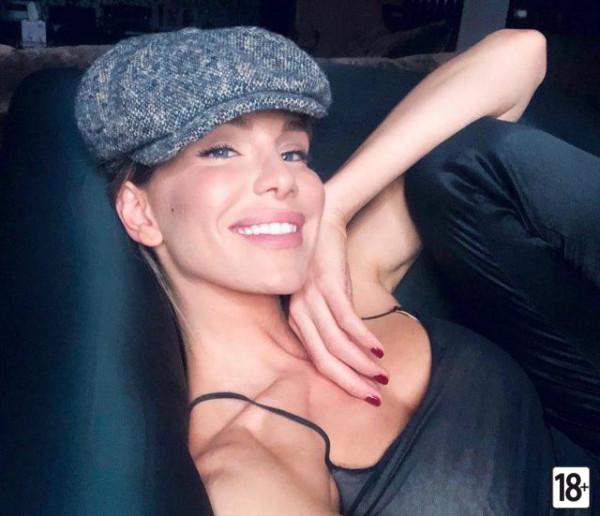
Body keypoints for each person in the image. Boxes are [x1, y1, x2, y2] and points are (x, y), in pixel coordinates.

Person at [74, 26, 598, 515]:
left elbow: (520, 54)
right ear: (141, 212)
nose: (281, 178)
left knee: (461, 163)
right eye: (222, 150)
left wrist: (336, 211)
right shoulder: (244, 467)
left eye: (292, 153)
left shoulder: (347, 281)